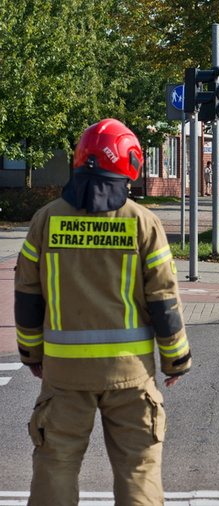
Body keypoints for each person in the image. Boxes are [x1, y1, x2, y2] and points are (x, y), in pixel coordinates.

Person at [14, 119, 192, 505]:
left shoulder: (45, 220)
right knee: (138, 467)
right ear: (129, 162)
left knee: (55, 465)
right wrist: (175, 358)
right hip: (131, 375)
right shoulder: (143, 223)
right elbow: (163, 297)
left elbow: (28, 295)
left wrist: (32, 354)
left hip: (64, 375)